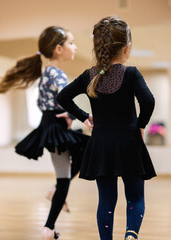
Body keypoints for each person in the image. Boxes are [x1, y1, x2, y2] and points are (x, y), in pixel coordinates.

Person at [57, 16, 156, 240]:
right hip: (129, 142)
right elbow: (148, 102)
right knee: (135, 198)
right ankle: (131, 235)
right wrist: (140, 125)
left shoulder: (88, 76)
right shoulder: (131, 74)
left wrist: (84, 117)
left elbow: (63, 97)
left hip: (101, 145)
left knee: (107, 200)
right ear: (127, 48)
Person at [0, 26, 89, 240]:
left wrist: (62, 114)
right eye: (71, 43)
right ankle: (48, 226)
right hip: (54, 127)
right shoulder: (56, 73)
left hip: (49, 125)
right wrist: (72, 115)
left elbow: (42, 103)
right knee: (69, 171)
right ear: (58, 49)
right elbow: (65, 98)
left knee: (71, 166)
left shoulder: (46, 72)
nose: (75, 47)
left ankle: (52, 199)